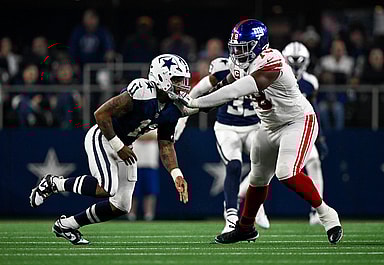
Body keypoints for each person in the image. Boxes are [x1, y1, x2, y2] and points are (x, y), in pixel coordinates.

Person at [179, 19, 343, 244]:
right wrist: (199, 103)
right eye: (234, 47)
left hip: (297, 122)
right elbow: (225, 85)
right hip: (269, 126)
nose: (236, 53)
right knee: (257, 178)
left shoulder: (272, 61)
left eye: (242, 48)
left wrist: (195, 104)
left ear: (258, 45)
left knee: (286, 172)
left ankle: (327, 215)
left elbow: (236, 89)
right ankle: (245, 227)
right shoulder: (240, 64)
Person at [29, 54, 194, 245]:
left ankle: (67, 225)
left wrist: (176, 174)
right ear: (161, 77)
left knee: (122, 205)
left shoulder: (172, 108)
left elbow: (166, 144)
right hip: (104, 137)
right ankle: (53, 183)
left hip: (125, 145)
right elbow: (101, 114)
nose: (181, 84)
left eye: (182, 79)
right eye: (176, 79)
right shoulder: (142, 91)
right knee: (107, 188)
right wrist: (118, 145)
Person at [174, 57, 270, 234]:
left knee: (267, 163)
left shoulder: (262, 70)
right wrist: (183, 120)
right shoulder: (222, 70)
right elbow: (196, 92)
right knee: (234, 165)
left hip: (253, 126)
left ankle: (253, 200)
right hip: (227, 127)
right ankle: (231, 218)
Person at [128, 130, 160, 221]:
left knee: (151, 191)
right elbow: (129, 135)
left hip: (150, 163)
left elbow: (157, 135)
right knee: (133, 191)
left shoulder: (155, 123)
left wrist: (139, 135)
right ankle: (131, 213)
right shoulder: (135, 123)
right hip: (134, 163)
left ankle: (149, 214)